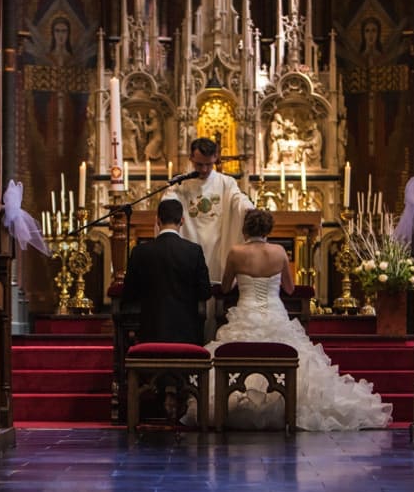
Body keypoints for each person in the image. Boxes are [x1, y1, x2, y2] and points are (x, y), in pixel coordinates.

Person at [184, 209, 393, 430]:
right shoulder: (279, 252)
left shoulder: (236, 252)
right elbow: (290, 288)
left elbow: (225, 287)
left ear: (245, 229)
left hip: (245, 314)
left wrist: (241, 281)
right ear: (268, 229)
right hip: (275, 314)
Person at [162, 137, 254, 283]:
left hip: (218, 244)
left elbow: (238, 199)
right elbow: (169, 203)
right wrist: (167, 201)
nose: (204, 169)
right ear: (191, 158)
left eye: (209, 164)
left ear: (215, 158)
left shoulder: (226, 183)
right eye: (199, 164)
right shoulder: (181, 184)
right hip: (189, 241)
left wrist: (248, 209)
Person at [122, 199, 212, 346]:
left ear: (157, 220)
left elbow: (129, 293)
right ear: (182, 221)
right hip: (186, 334)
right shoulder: (193, 251)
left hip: (150, 333)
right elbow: (205, 292)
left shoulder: (140, 251)